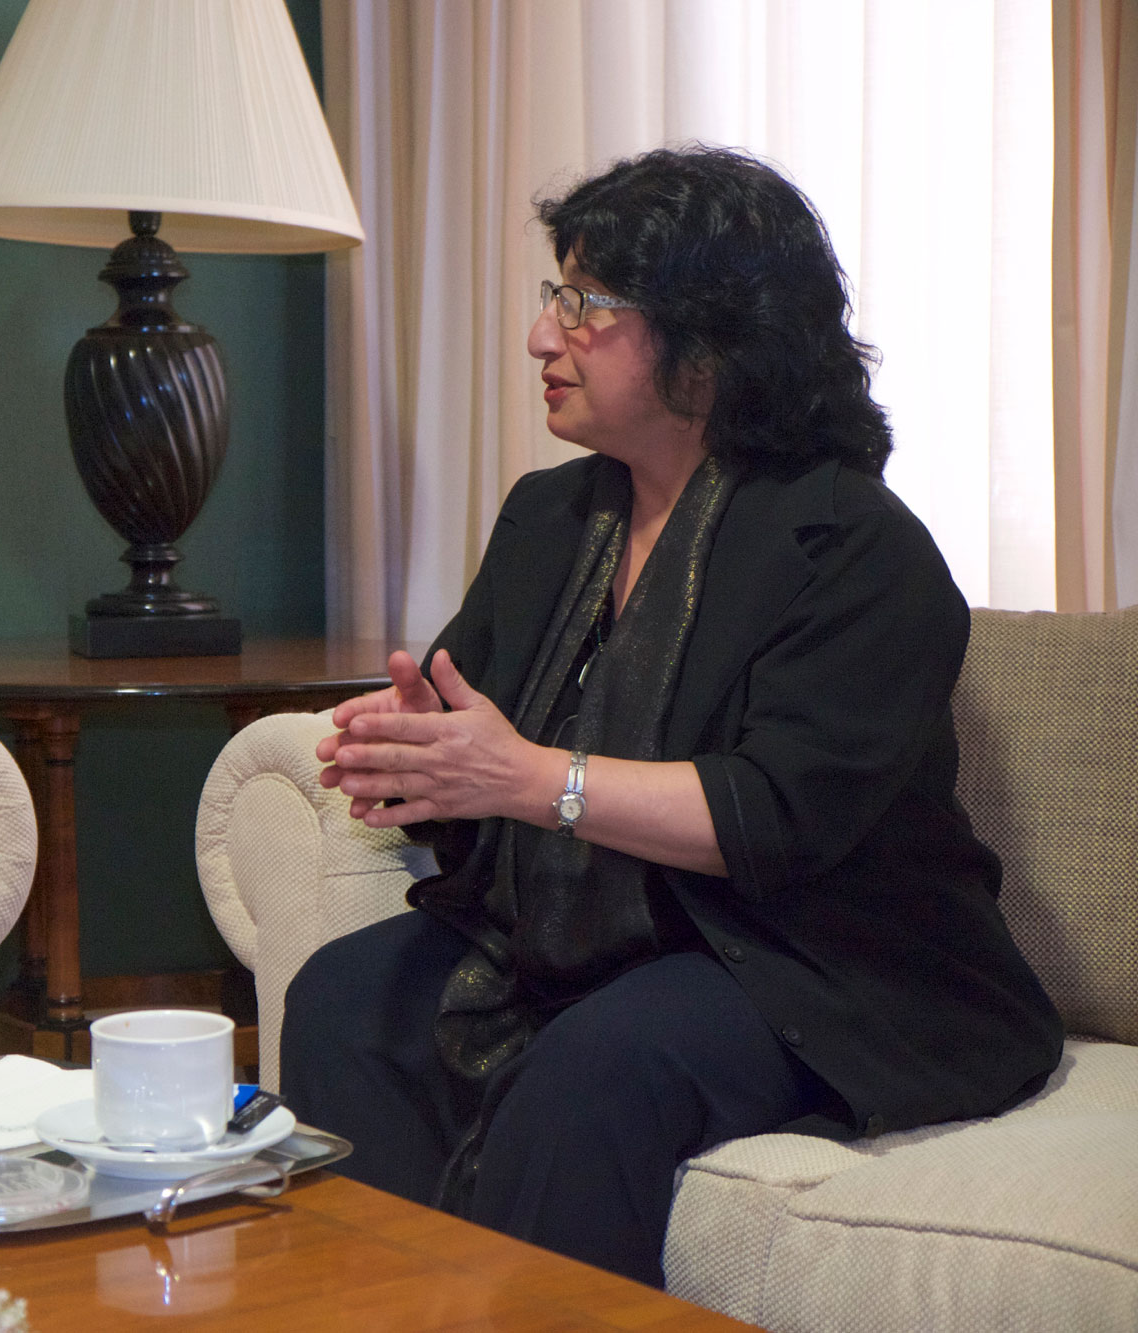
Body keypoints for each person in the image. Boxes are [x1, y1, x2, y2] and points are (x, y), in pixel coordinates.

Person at [282, 147, 1063, 1288]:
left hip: (803, 955)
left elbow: (774, 816)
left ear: (709, 342)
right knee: (343, 999)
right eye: (554, 297)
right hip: (577, 933)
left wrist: (525, 776)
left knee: (603, 1064)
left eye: (583, 305)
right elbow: (477, 745)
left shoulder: (855, 548)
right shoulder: (552, 517)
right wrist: (414, 756)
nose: (541, 337)